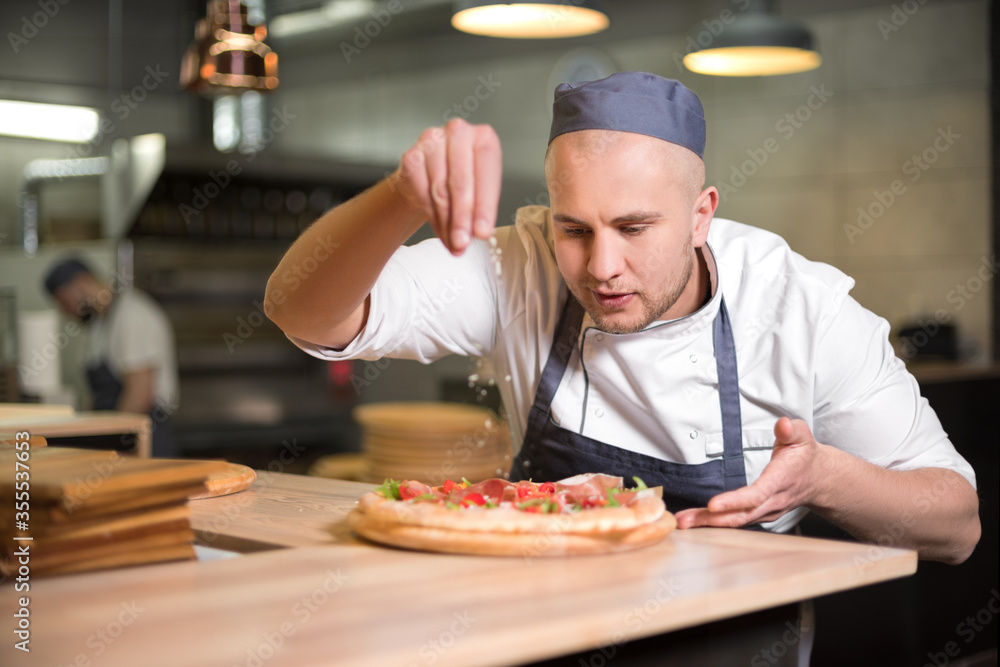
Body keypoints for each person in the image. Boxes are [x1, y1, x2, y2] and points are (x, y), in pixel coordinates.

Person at [265, 72, 979, 565]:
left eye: (634, 228)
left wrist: (822, 477)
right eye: (575, 229)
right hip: (544, 630)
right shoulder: (519, 264)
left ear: (702, 216)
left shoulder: (801, 310)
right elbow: (300, 312)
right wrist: (402, 195)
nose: (600, 265)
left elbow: (957, 526)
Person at [43, 257, 179, 457]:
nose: (66, 312)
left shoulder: (132, 316)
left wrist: (114, 445)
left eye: (65, 302)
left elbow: (140, 395)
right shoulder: (98, 324)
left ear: (81, 283)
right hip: (120, 435)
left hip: (144, 439)